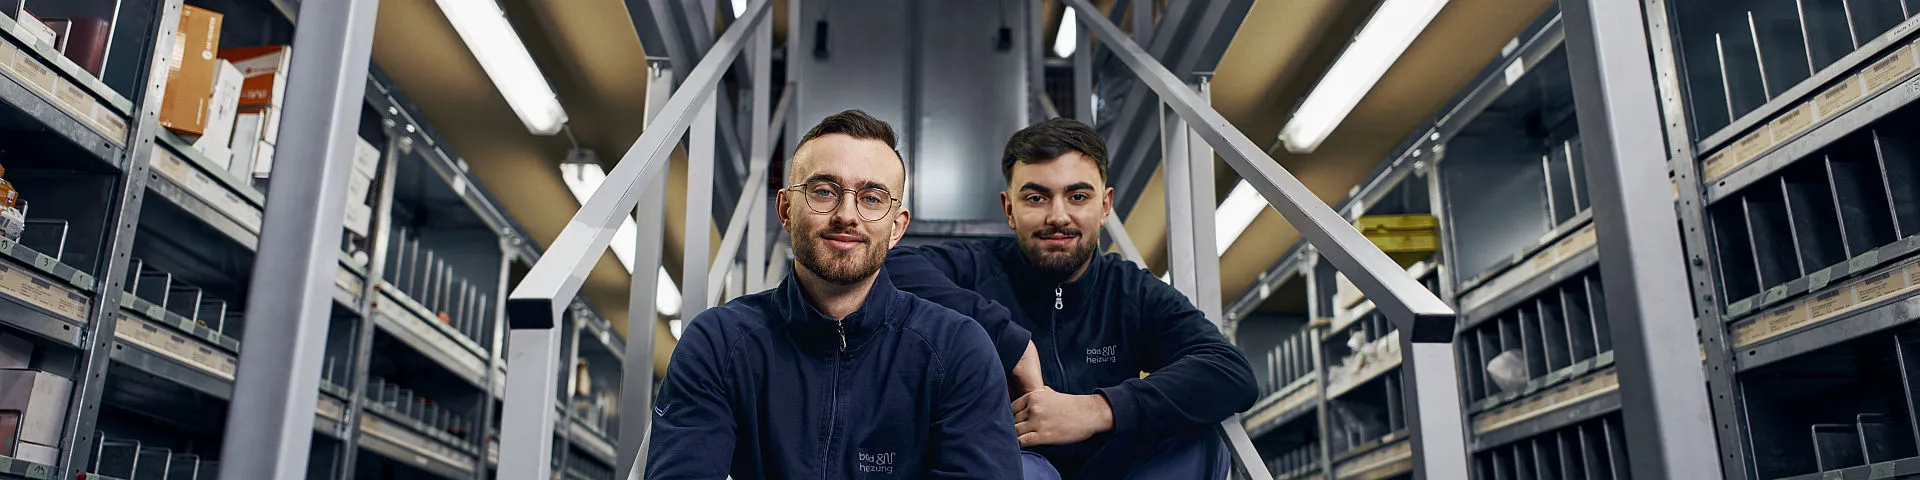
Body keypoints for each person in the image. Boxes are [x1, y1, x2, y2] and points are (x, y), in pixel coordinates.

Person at [648, 110, 1020, 479]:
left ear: (896, 228)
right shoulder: (719, 343)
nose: (846, 214)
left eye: (872, 198)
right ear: (786, 210)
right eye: (824, 192)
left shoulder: (957, 350)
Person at [885, 118, 1258, 480]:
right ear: (1009, 209)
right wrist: (1007, 339)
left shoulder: (1130, 290)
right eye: (1036, 198)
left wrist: (1097, 410)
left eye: (1078, 196)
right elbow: (888, 265)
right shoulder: (976, 268)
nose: (1058, 216)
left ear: (1105, 206)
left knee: (1202, 436)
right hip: (1019, 460)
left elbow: (1230, 371)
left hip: (1114, 465)